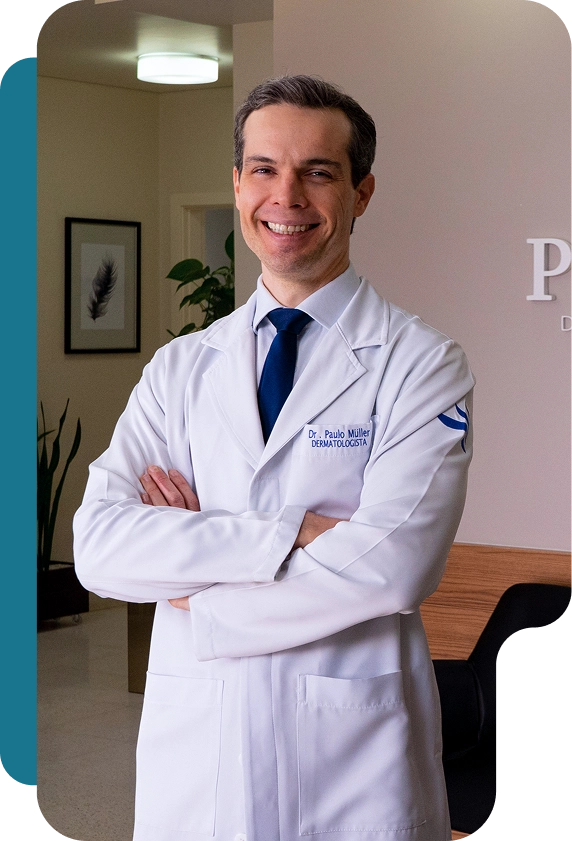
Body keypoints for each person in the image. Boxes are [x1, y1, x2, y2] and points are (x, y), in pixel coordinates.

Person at [74, 75, 475, 841]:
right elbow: (98, 546)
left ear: (361, 193)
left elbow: (396, 565)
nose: (285, 196)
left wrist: (200, 594)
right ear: (237, 185)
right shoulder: (181, 369)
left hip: (349, 766)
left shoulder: (421, 363)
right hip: (199, 758)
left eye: (317, 172)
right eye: (264, 169)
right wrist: (293, 531)